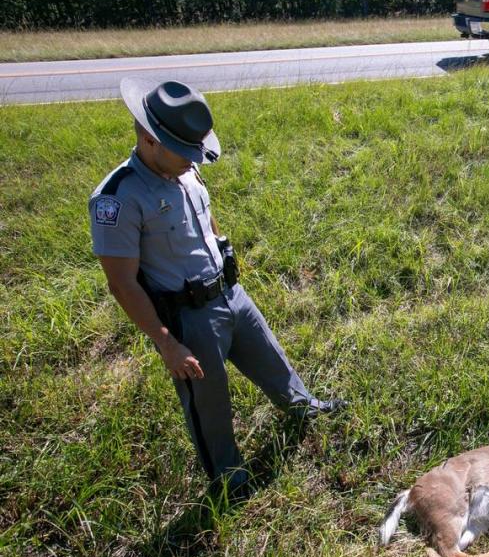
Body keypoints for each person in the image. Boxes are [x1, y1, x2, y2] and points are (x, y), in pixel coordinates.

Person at [89, 77, 344, 498]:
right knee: (209, 403)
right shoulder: (118, 197)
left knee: (271, 358)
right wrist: (166, 343)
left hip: (229, 293)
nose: (195, 161)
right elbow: (121, 283)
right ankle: (227, 475)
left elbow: (206, 226)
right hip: (188, 318)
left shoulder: (185, 173)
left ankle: (303, 407)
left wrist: (225, 266)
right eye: (186, 152)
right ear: (152, 140)